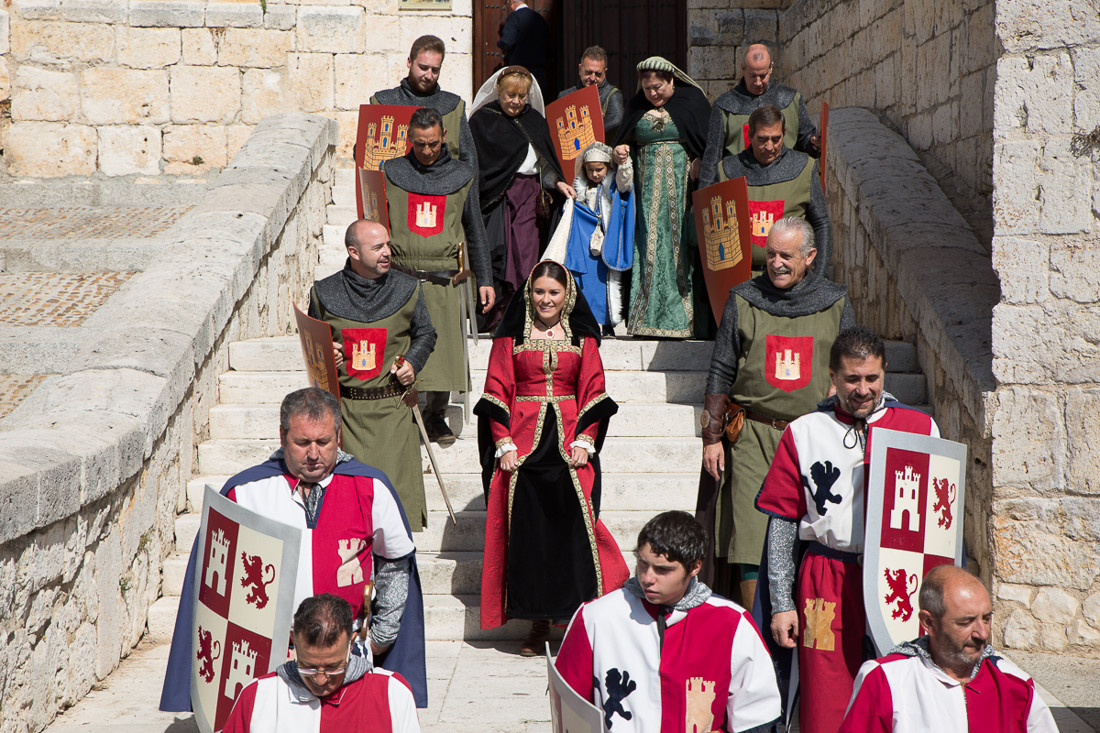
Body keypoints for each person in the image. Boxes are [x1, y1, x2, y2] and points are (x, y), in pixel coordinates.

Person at [160, 388, 427, 710]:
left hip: (345, 653)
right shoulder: (245, 493)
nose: (314, 454)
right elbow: (215, 585)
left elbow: (395, 564)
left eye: (324, 442)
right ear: (282, 436)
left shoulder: (371, 486)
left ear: (338, 435)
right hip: (266, 653)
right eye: (302, 443)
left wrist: (380, 638)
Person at [754, 327, 940, 733]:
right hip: (825, 581)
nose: (862, 389)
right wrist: (782, 601)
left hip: (897, 580)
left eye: (871, 378)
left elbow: (938, 524)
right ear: (833, 376)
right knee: (826, 692)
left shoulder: (920, 428)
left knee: (900, 686)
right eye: (852, 379)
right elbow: (783, 525)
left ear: (885, 372)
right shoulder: (804, 432)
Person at [697, 217, 853, 609]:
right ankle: (754, 631)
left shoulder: (834, 301)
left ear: (810, 257)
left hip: (813, 437)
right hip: (753, 433)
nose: (776, 263)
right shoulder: (744, 297)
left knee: (812, 534)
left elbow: (851, 361)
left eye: (787, 255)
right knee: (750, 536)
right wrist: (712, 437)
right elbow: (721, 368)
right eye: (771, 255)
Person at [475, 260, 628, 655]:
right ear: (530, 293)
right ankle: (539, 623)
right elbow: (496, 387)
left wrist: (585, 441)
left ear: (567, 296)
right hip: (524, 445)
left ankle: (581, 618)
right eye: (540, 291)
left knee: (574, 529)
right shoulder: (510, 337)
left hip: (569, 443)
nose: (546, 299)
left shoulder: (582, 338)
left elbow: (594, 389)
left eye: (553, 292)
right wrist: (504, 443)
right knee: (531, 536)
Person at [555, 511, 782, 733]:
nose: (647, 578)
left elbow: (754, 716)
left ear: (694, 567)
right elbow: (570, 706)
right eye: (643, 564)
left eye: (663, 570)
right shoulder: (597, 616)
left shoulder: (732, 623)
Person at [308, 219, 437, 530]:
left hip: (392, 413)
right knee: (350, 514)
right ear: (354, 252)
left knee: (394, 515)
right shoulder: (324, 293)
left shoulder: (407, 288)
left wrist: (412, 363)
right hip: (346, 416)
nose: (387, 253)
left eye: (388, 245)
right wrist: (328, 353)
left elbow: (426, 334)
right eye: (377, 247)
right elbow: (312, 344)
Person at [381, 107, 495, 446]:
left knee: (442, 347)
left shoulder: (462, 174)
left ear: (443, 136)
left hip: (445, 277)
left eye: (432, 143)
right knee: (402, 346)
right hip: (400, 276)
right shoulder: (392, 171)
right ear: (409, 139)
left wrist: (485, 279)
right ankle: (403, 413)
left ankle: (435, 414)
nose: (427, 151)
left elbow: (474, 228)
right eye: (420, 144)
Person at [840, 566, 1059, 733]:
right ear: (929, 622)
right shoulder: (885, 680)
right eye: (966, 622)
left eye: (986, 618)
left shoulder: (1015, 685)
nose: (982, 634)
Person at [613, 57, 712, 338]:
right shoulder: (636, 106)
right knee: (648, 249)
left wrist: (699, 159)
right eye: (647, 89)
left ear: (671, 81)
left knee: (682, 251)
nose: (653, 94)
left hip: (682, 195)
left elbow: (706, 141)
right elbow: (623, 141)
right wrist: (619, 151)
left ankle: (683, 321)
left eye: (658, 87)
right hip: (645, 196)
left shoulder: (691, 101)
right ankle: (646, 318)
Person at [223, 594, 421, 733]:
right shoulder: (258, 695)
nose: (320, 679)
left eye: (333, 667)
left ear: (351, 644)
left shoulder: (391, 693)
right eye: (308, 666)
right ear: (293, 641)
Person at [470, 66, 573, 330]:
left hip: (529, 197)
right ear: (499, 92)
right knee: (498, 256)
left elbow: (543, 165)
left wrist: (558, 183)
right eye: (510, 95)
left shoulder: (534, 120)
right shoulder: (483, 120)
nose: (516, 102)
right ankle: (496, 316)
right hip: (495, 199)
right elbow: (476, 166)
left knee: (527, 254)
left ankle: (523, 316)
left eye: (521, 96)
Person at [716, 105, 833, 277]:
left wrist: (819, 276)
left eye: (776, 139)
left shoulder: (804, 168)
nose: (770, 147)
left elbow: (822, 224)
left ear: (784, 133)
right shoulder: (726, 169)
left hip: (791, 278)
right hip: (742, 280)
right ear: (750, 135)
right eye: (762, 139)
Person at [699, 43, 819, 188]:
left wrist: (813, 142)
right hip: (740, 187)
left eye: (763, 76)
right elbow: (712, 156)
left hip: (785, 185)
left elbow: (805, 139)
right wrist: (705, 194)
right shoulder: (724, 106)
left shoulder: (791, 100)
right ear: (743, 69)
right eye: (752, 76)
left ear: (771, 68)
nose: (757, 82)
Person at [544, 141, 634, 334]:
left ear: (608, 167)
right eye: (590, 170)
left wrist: (624, 163)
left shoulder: (612, 186)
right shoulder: (580, 189)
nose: (595, 174)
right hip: (584, 246)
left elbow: (625, 184)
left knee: (605, 283)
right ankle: (585, 321)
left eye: (599, 169)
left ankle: (607, 323)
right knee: (585, 284)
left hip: (606, 244)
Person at [370, 35, 476, 168]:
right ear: (409, 62)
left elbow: (469, 161)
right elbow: (369, 160)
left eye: (435, 70)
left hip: (445, 186)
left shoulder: (454, 107)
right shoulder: (382, 103)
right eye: (423, 68)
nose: (429, 75)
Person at [557, 45, 625, 143]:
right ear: (580, 69)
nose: (593, 78)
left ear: (605, 73)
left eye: (598, 74)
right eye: (588, 72)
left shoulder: (612, 94)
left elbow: (616, 120)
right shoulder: (565, 96)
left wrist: (584, 133)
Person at [497, 0, 551, 96]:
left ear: (511, 3)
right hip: (539, 73)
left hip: (520, 73)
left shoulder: (514, 17)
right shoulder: (540, 18)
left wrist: (500, 43)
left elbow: (507, 42)